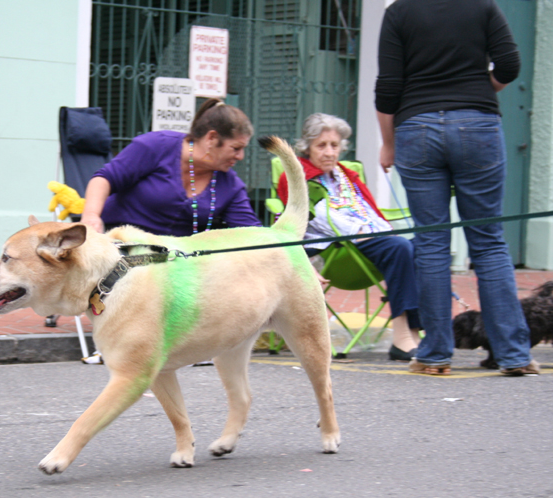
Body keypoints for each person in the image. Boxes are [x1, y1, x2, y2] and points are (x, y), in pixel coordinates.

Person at [375, 0, 537, 376]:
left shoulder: (399, 12)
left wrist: (389, 143)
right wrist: (481, 88)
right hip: (478, 124)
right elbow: (510, 66)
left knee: (431, 243)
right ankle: (513, 354)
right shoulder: (483, 7)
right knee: (489, 240)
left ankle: (434, 354)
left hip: (416, 127)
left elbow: (388, 87)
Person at [278, 113, 421, 361]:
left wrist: (380, 229)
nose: (329, 152)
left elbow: (366, 209)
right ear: (307, 148)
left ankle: (414, 331)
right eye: (321, 145)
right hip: (333, 249)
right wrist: (370, 231)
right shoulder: (296, 175)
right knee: (399, 248)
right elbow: (318, 217)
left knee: (423, 247)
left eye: (334, 145)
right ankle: (401, 337)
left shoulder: (345, 174)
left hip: (364, 240)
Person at [81, 98, 261, 236]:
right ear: (211, 138)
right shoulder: (157, 146)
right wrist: (91, 216)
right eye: (236, 148)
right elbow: (104, 179)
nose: (240, 156)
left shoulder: (230, 185)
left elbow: (253, 234)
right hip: (118, 244)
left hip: (170, 264)